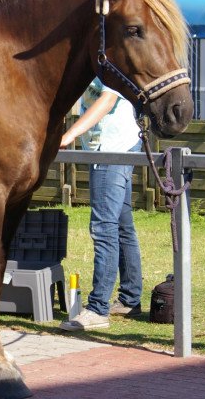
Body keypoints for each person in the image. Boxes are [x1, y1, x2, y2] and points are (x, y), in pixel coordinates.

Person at [59, 77, 143, 331]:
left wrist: (69, 134)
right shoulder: (90, 62)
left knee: (103, 226)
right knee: (121, 225)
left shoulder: (111, 63)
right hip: (108, 148)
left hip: (112, 149)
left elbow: (107, 100)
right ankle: (130, 299)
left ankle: (97, 309)